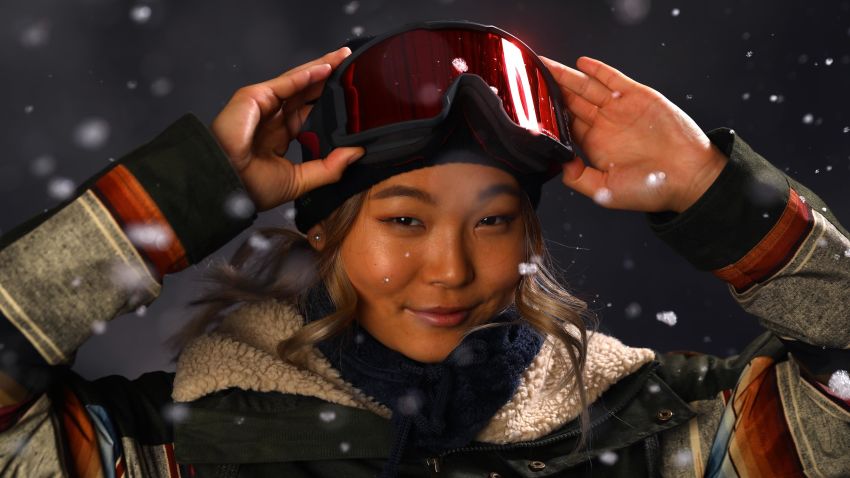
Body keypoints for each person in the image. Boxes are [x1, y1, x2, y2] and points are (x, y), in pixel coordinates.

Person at [0, 20, 848, 478]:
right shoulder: (175, 449)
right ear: (324, 227)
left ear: (529, 234)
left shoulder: (667, 433)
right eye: (404, 220)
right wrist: (184, 191)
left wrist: (716, 192)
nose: (449, 268)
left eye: (491, 220)